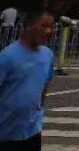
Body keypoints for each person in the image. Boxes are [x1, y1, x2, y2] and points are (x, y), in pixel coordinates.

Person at [0, 12, 56, 151]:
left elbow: (44, 84)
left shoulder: (47, 55)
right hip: (5, 133)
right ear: (28, 26)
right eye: (43, 26)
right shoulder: (7, 56)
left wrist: (38, 108)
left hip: (32, 131)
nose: (48, 31)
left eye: (51, 26)